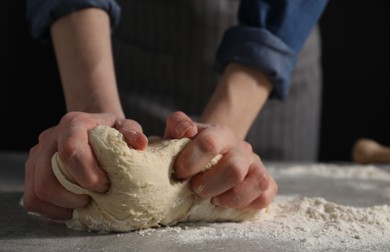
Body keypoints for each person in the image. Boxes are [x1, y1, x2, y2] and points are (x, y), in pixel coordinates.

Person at [23, 0, 328, 220]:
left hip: (267, 64)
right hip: (116, 50)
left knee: (247, 196)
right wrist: (96, 127)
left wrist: (214, 157)